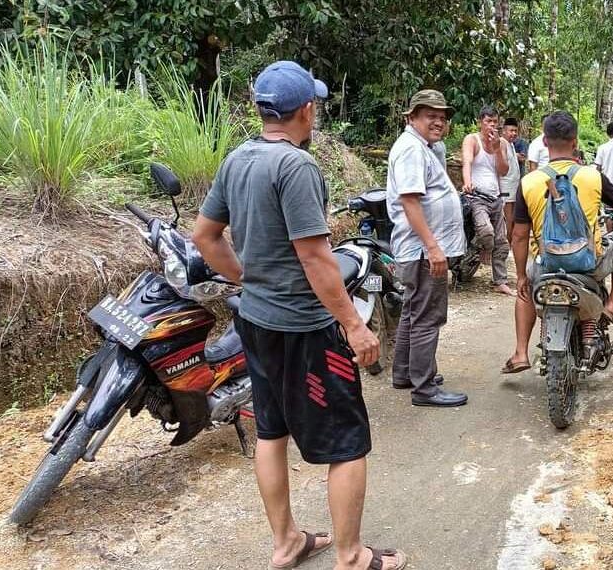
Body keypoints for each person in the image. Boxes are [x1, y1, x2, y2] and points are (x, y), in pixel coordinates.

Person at [192, 61, 406, 570]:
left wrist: (247, 278)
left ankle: (286, 541)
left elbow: (205, 235)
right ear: (306, 110)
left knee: (271, 431)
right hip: (304, 330)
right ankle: (351, 556)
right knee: (347, 441)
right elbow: (315, 257)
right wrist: (354, 325)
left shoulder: (237, 159)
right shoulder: (296, 167)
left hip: (256, 321)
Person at [502, 111, 613, 374]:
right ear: (575, 142)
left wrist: (521, 275)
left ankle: (521, 352)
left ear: (545, 141)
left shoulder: (529, 182)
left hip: (546, 265)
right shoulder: (592, 176)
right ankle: (612, 303)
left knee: (525, 289)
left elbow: (519, 235)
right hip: (589, 264)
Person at [386, 89, 469, 407]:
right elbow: (410, 201)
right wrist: (434, 248)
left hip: (419, 248)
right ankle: (424, 388)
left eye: (442, 117)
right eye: (430, 115)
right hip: (422, 250)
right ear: (412, 117)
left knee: (413, 310)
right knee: (427, 317)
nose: (438, 122)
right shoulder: (411, 148)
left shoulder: (423, 147)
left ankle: (405, 373)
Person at [461, 105, 515, 296]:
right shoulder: (472, 140)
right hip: (477, 196)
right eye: (488, 121)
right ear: (480, 122)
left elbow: (503, 171)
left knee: (501, 242)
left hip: (496, 197)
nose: (492, 125)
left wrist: (497, 148)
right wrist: (467, 182)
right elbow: (467, 162)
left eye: (495, 122)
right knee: (486, 231)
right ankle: (482, 248)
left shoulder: (502, 144)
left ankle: (500, 281)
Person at [502, 117, 524, 239]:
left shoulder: (510, 144)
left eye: (515, 131)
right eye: (511, 131)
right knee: (508, 218)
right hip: (506, 188)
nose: (514, 133)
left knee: (513, 218)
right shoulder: (502, 143)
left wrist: (516, 156)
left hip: (513, 187)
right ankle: (507, 243)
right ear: (504, 131)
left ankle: (511, 242)